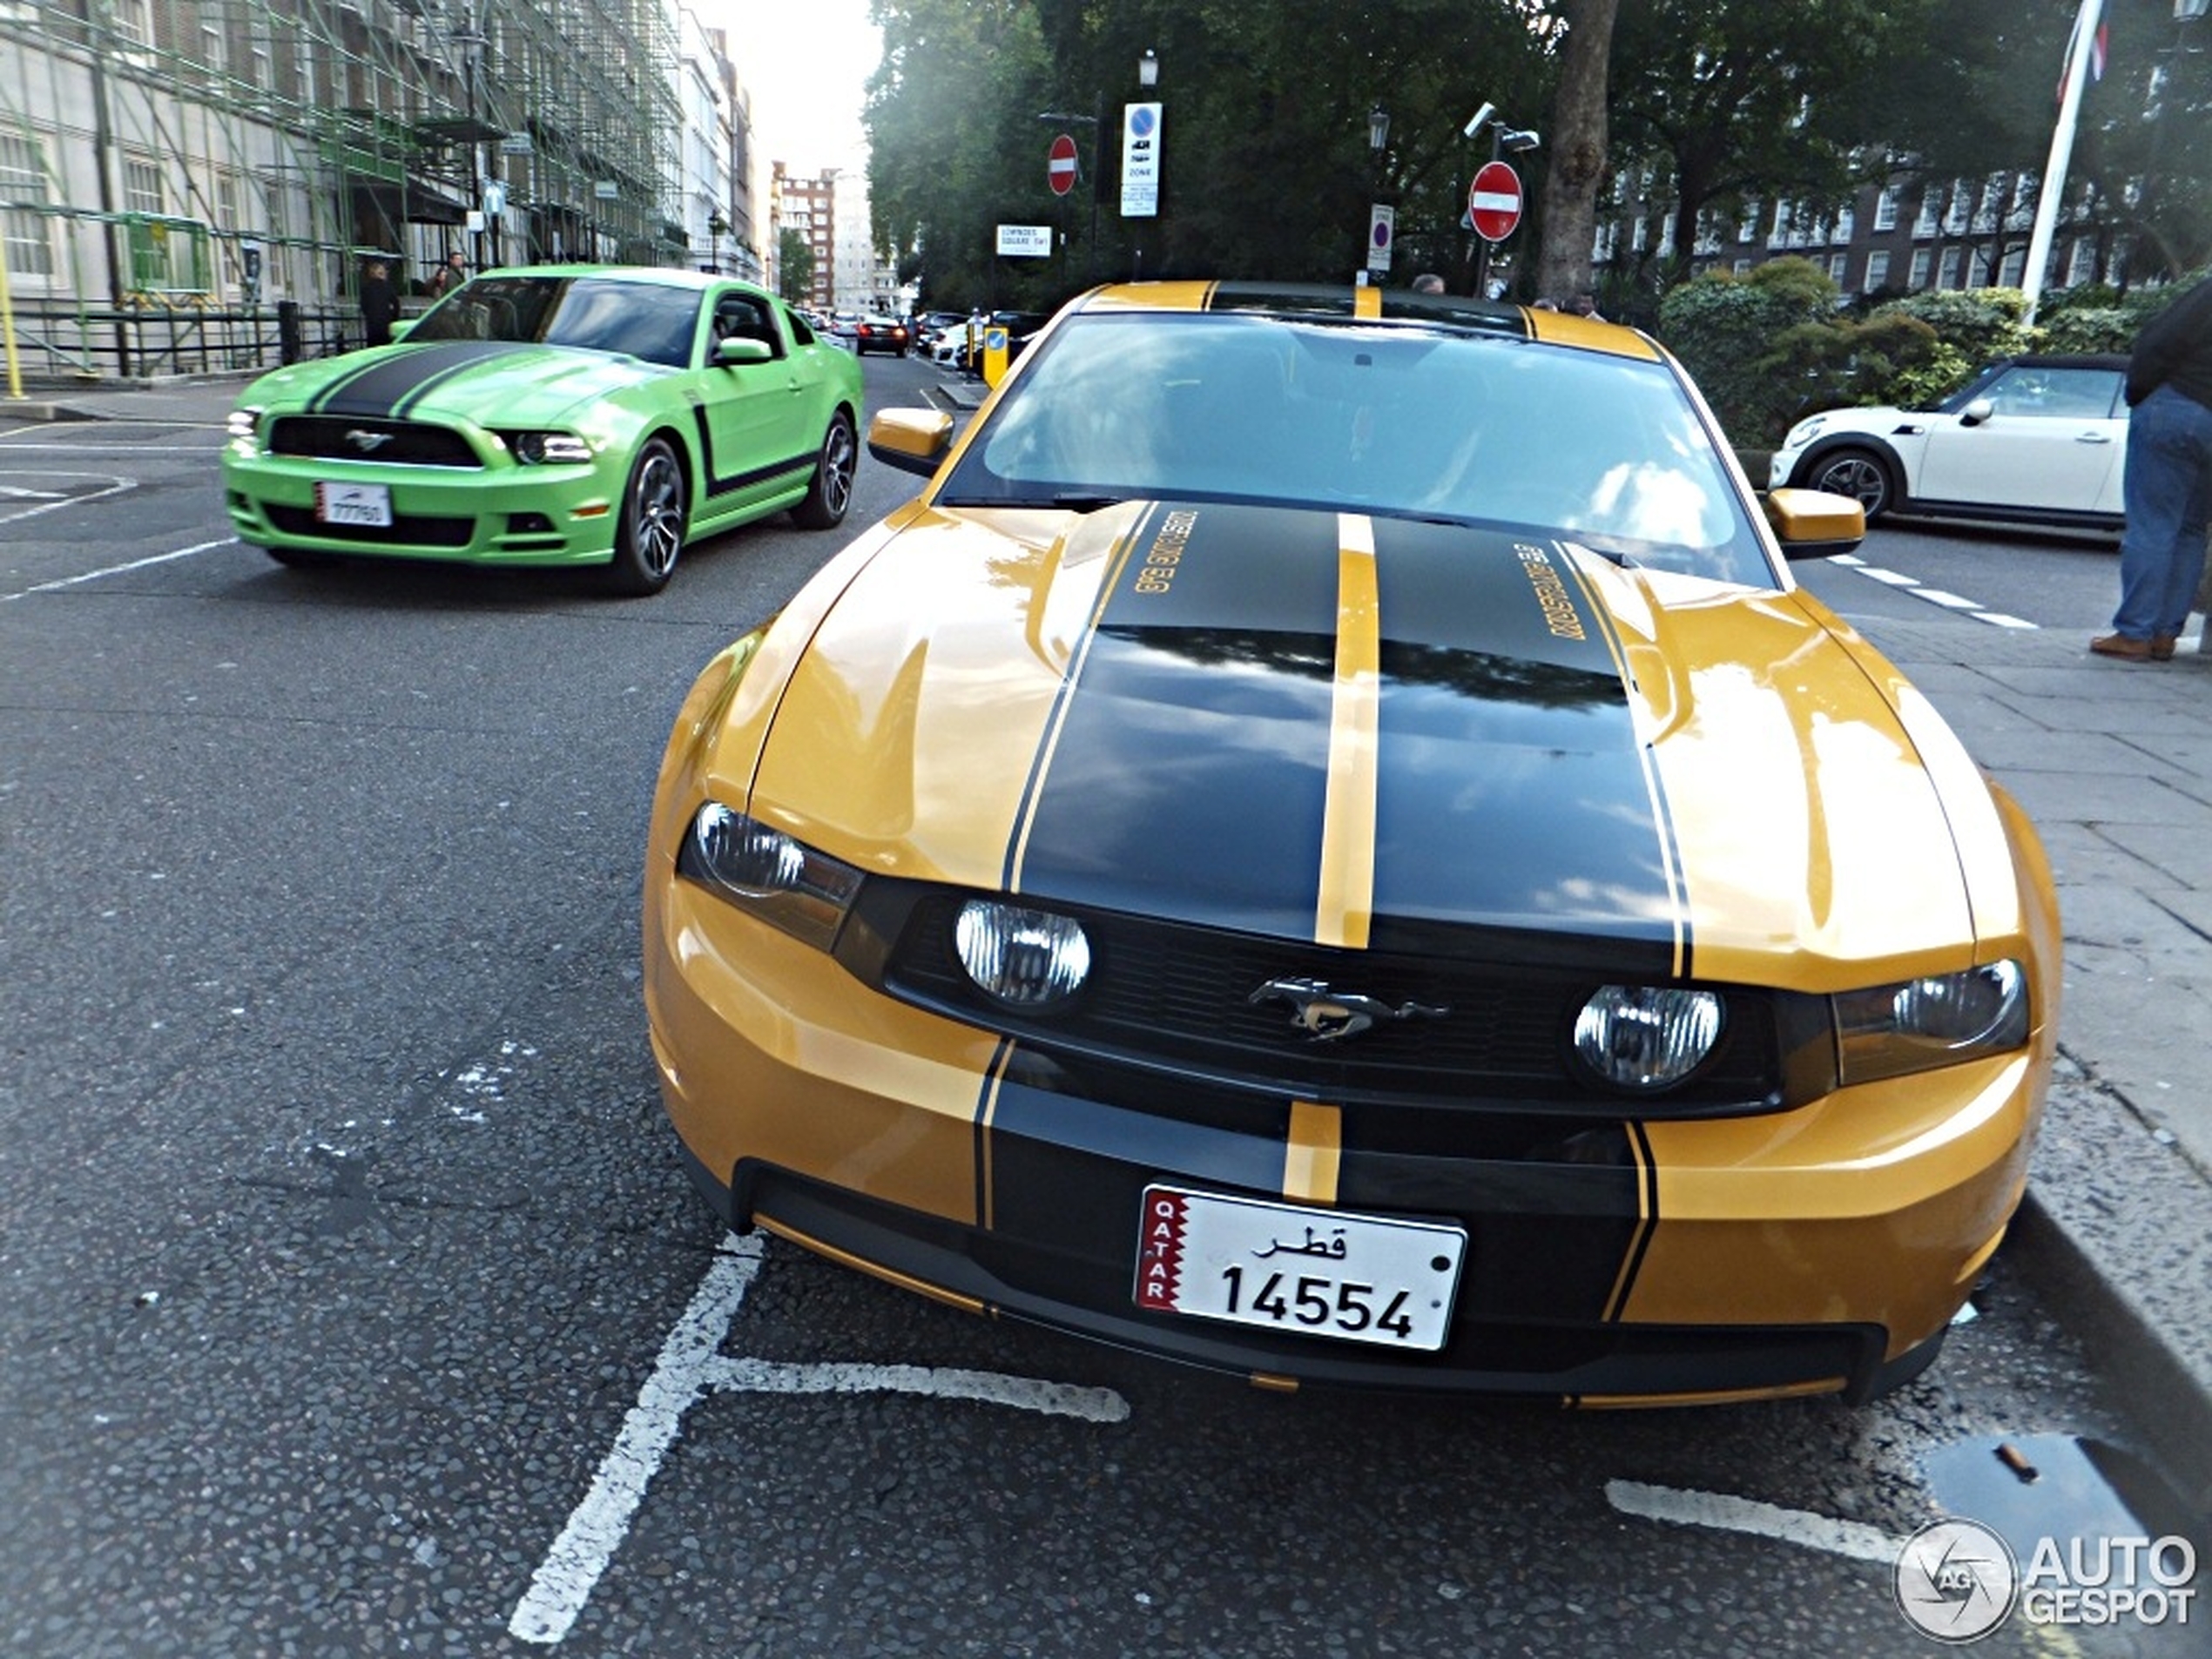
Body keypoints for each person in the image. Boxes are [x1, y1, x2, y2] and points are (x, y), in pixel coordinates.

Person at [2093, 273, 2212, 662]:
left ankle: (2135, 633)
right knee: (2192, 529)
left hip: (2178, 406)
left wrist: (2139, 393)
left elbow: (2160, 341)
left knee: (2154, 524)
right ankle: (2165, 634)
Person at [359, 260, 398, 347]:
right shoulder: (388, 287)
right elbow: (396, 305)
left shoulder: (366, 288)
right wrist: (393, 318)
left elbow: (364, 306)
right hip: (386, 323)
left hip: (372, 324)